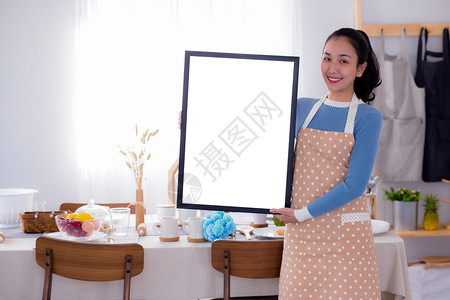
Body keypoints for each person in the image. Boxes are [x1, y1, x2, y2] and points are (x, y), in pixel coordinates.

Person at [270, 28, 382, 299]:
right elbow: (259, 145)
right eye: (327, 58)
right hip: (302, 240)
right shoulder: (302, 108)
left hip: (345, 242)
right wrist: (192, 122)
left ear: (360, 68)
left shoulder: (368, 117)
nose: (333, 68)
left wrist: (300, 214)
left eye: (343, 61)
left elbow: (355, 185)